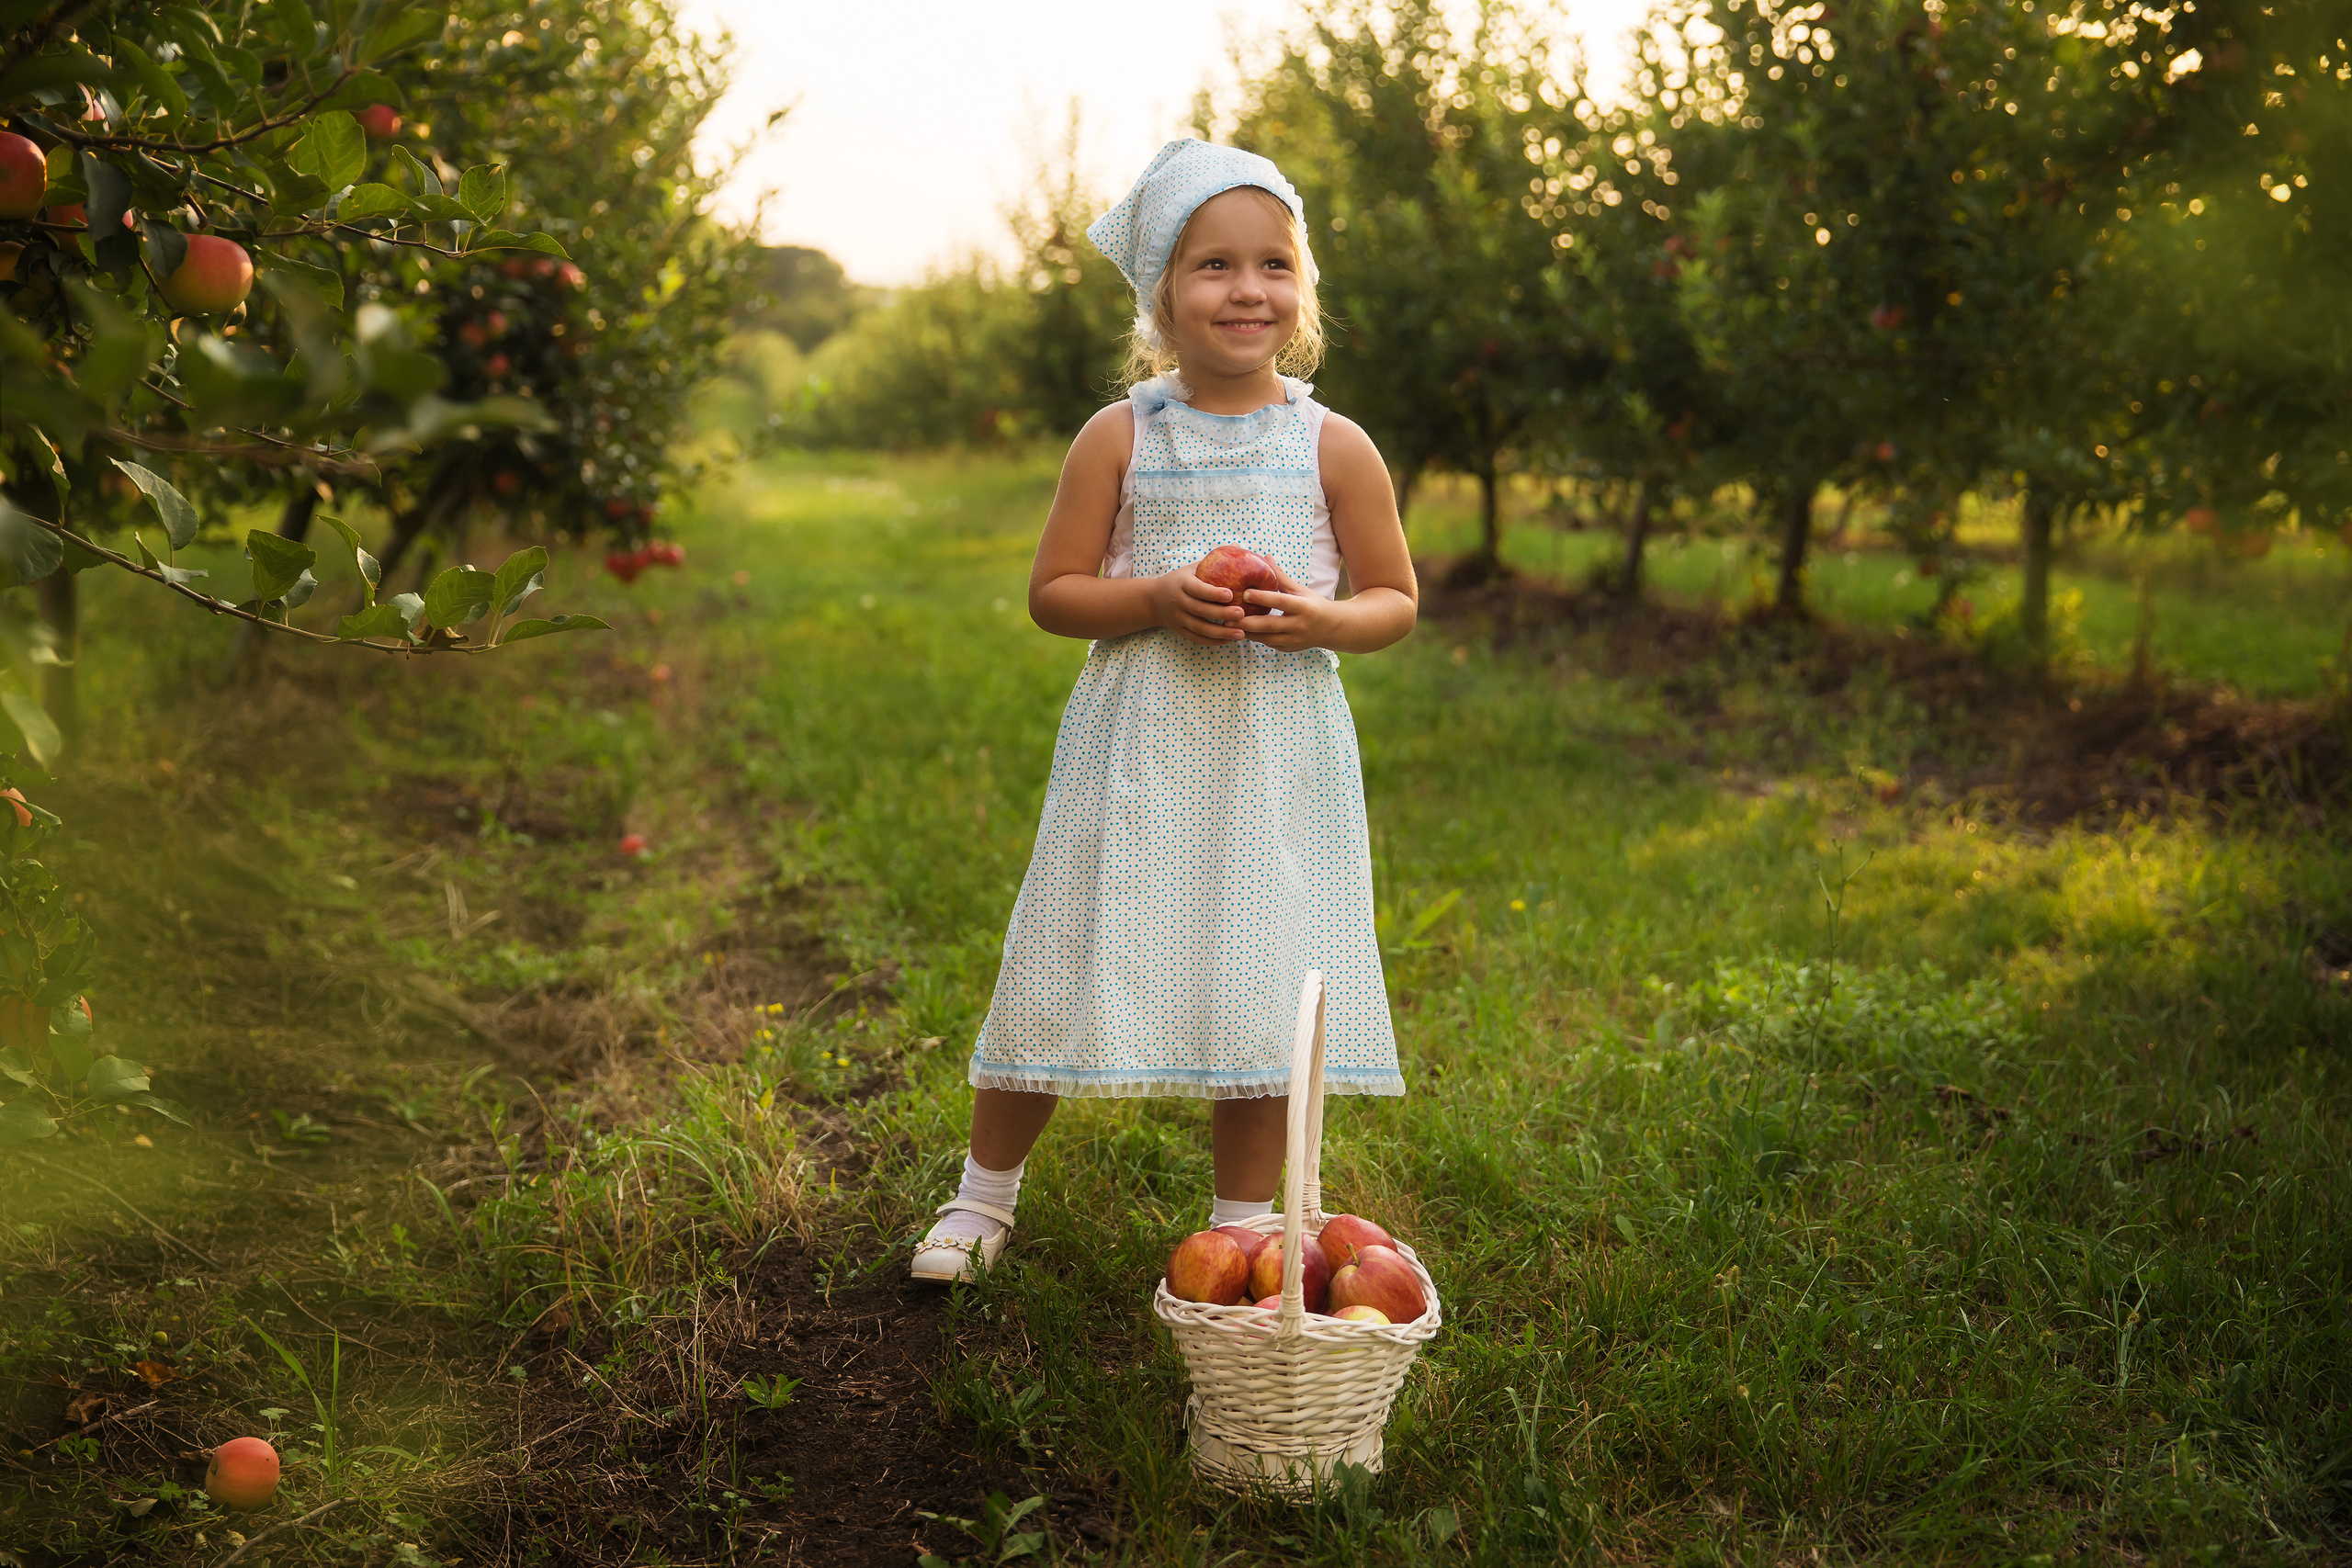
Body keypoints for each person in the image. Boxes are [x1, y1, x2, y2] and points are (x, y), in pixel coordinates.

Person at [912, 139, 1419, 1283]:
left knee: (1263, 969)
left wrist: (1322, 620)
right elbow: (1055, 593)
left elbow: (1394, 599)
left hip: (1276, 753)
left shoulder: (1333, 445)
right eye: (1213, 267)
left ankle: (1240, 1226)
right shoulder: (1123, 434)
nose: (1248, 290)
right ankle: (982, 1199)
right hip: (1139, 747)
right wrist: (1151, 596)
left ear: (1302, 289)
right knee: (1060, 949)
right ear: (1160, 294)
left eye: (1274, 265)